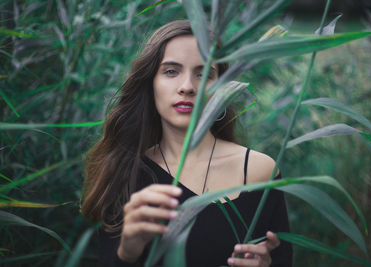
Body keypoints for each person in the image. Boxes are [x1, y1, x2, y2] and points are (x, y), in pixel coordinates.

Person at [81, 20, 292, 267]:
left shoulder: (259, 172)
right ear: (151, 84)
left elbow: (282, 260)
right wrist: (128, 251)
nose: (188, 87)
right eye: (171, 71)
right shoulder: (125, 171)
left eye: (204, 74)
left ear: (223, 89)